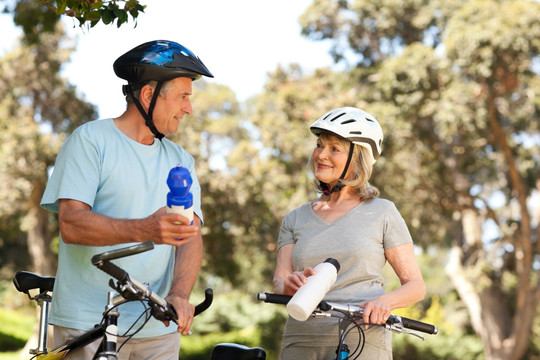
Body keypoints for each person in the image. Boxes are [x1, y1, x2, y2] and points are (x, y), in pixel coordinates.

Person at [40, 40, 214, 359]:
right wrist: (145, 229)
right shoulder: (90, 141)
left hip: (157, 328)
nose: (189, 108)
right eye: (183, 97)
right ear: (148, 95)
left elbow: (190, 236)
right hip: (88, 325)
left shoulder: (181, 161)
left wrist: (179, 293)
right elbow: (72, 225)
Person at [273, 107, 426, 359]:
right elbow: (280, 280)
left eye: (334, 148)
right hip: (301, 340)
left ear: (358, 158)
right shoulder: (295, 218)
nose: (321, 154)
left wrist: (384, 302)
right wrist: (288, 284)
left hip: (362, 340)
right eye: (319, 145)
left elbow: (416, 286)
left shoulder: (383, 212)